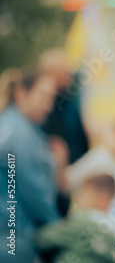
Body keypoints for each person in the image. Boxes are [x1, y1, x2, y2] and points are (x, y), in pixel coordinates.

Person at [0, 68, 60, 263]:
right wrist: (60, 228)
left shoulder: (18, 127)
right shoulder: (18, 133)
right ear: (21, 93)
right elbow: (34, 190)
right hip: (13, 238)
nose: (49, 106)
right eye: (43, 97)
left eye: (51, 98)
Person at [36, 174, 115, 263]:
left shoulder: (81, 222)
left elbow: (42, 239)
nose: (77, 197)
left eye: (85, 193)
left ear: (103, 199)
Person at [39, 47, 89, 165]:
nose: (69, 74)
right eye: (63, 71)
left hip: (79, 163)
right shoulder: (46, 106)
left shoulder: (69, 98)